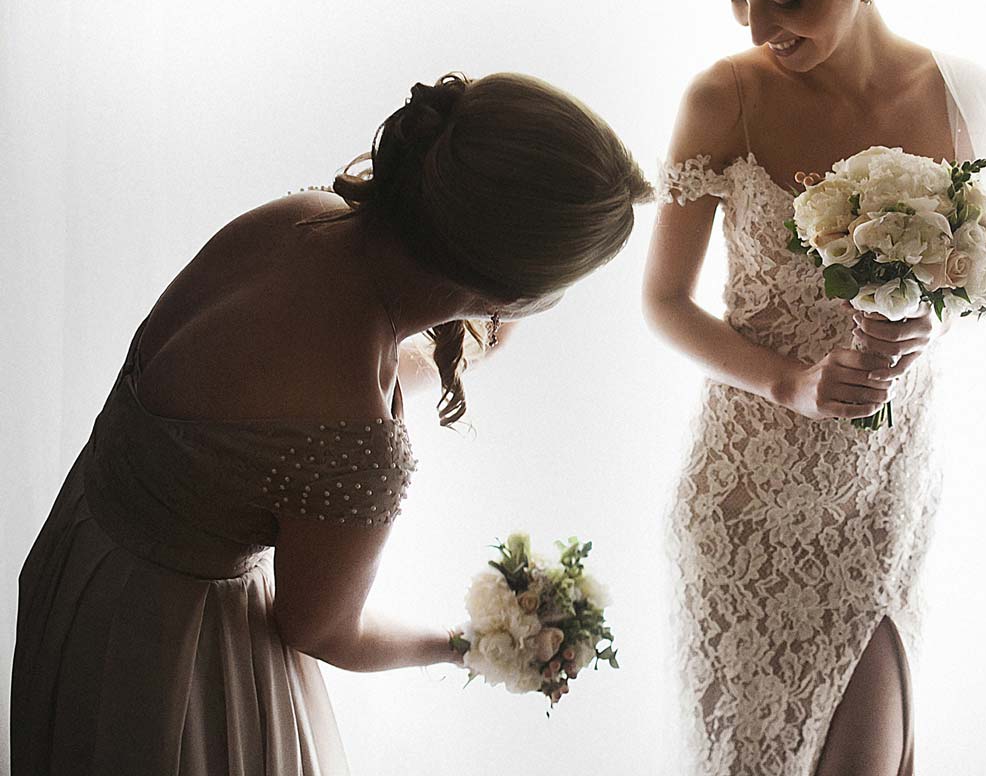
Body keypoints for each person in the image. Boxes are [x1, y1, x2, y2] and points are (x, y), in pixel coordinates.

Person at [11, 71, 652, 775]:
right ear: (513, 294)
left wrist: (446, 358)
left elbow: (265, 399)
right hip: (172, 655)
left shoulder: (296, 220)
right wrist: (470, 643)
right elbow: (321, 629)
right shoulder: (359, 442)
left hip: (86, 562)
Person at [643, 0, 986, 776]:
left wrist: (924, 314)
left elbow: (970, 279)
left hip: (887, 481)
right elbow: (665, 303)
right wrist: (792, 383)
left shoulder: (966, 99)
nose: (761, 31)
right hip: (746, 492)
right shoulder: (724, 98)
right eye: (737, 0)